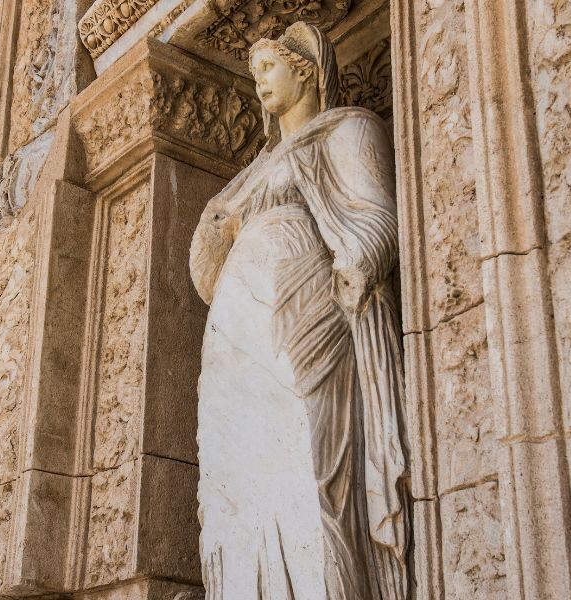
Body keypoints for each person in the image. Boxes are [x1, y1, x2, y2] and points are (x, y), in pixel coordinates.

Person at [189, 21, 411, 600]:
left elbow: (377, 216)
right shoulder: (251, 171)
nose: (258, 81)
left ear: (305, 69)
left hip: (308, 309)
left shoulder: (350, 128)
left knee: (311, 460)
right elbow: (205, 268)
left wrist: (356, 266)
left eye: (268, 68)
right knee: (238, 475)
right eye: (254, 71)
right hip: (238, 330)